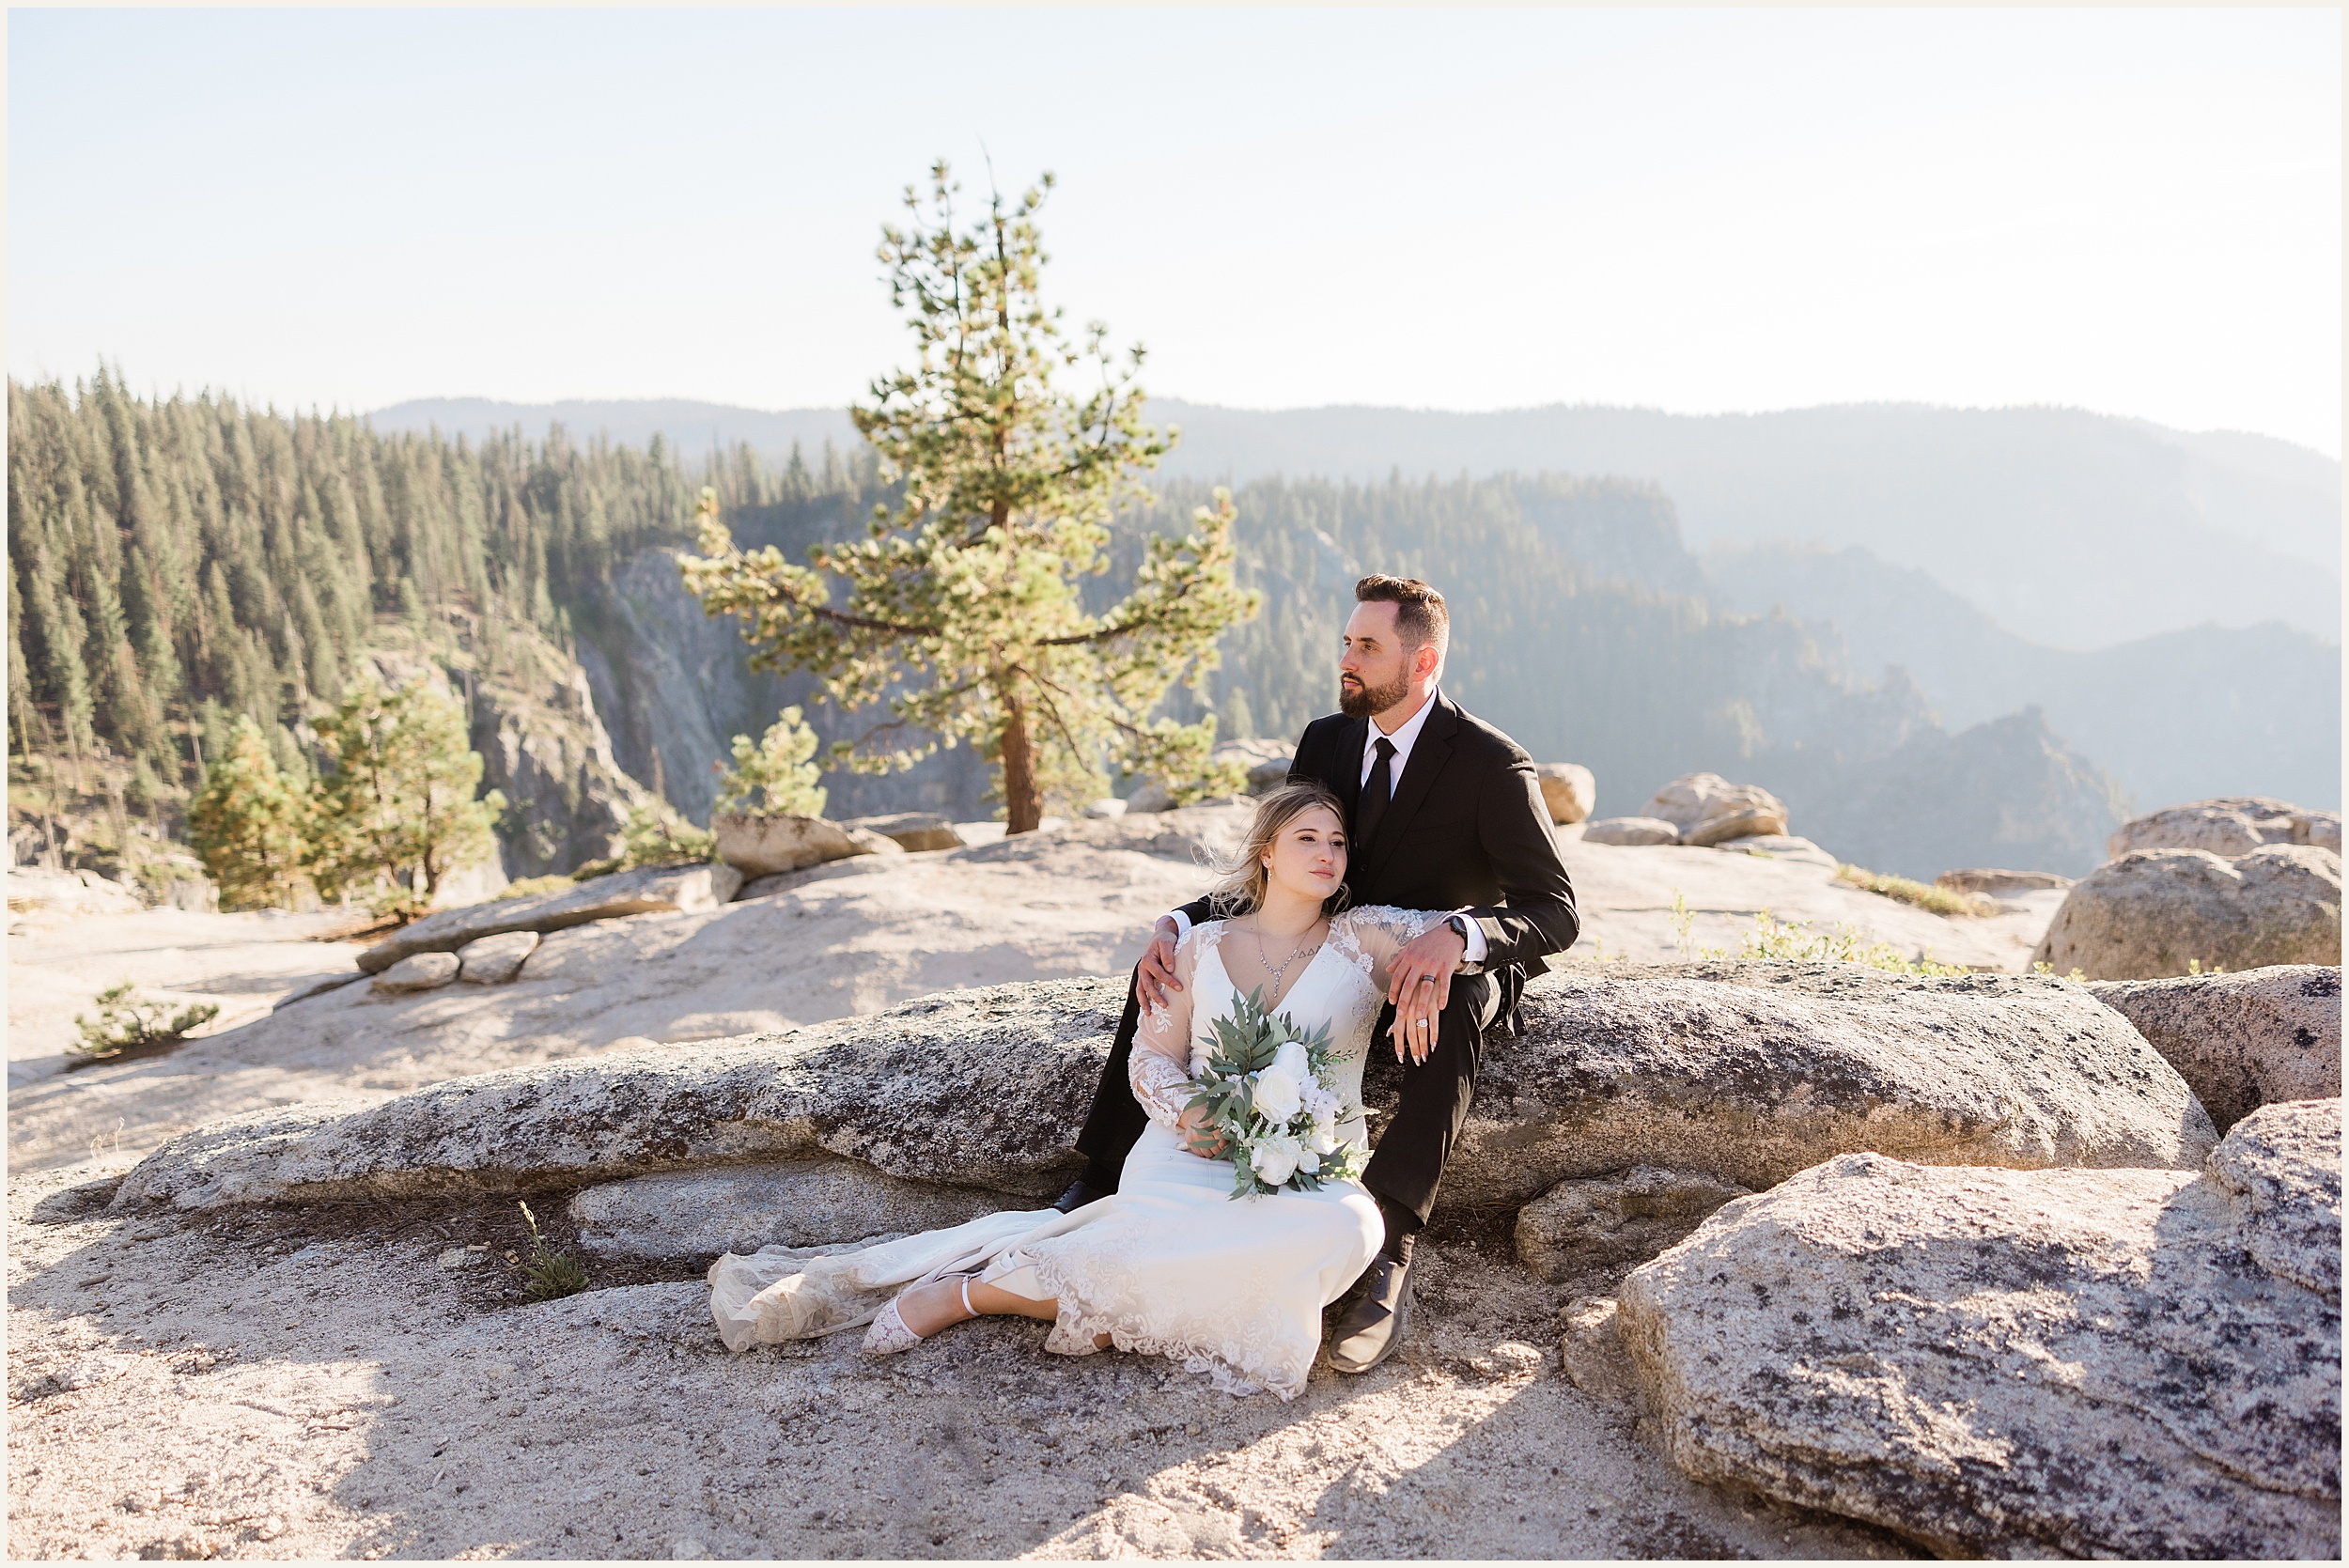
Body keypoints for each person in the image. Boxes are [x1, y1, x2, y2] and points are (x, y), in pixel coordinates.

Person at [708, 782, 1464, 1399]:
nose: (1327, 853)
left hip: (1304, 1168)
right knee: (1157, 1234)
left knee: (1353, 1231)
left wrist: (1449, 950)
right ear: (1266, 851)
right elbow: (1150, 1062)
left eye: (1337, 842)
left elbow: (1469, 931)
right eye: (1307, 838)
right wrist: (1188, 1108)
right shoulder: (1197, 946)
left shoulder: (1365, 938)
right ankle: (968, 1293)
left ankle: (1084, 1295)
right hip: (1186, 1153)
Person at [1055, 574, 1578, 1374]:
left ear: (1424, 659)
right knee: (1169, 962)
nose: (1347, 659)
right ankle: (1098, 1180)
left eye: (1367, 646)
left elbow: (1556, 909)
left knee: (1458, 995)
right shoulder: (1329, 739)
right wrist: (1180, 919)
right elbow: (1291, 858)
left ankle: (1389, 1246)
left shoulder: (1490, 763)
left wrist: (1461, 937)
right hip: (1332, 945)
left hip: (1438, 960)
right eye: (1346, 641)